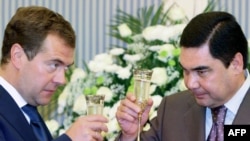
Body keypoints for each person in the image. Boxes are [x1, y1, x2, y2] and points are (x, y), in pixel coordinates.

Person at [115, 11, 250, 141]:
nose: (190, 83)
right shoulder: (173, 110)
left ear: (235, 64)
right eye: (185, 71)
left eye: (201, 71)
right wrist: (129, 136)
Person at [0, 6, 108, 141]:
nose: (62, 80)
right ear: (18, 56)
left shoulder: (29, 113)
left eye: (66, 68)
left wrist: (127, 137)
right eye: (54, 65)